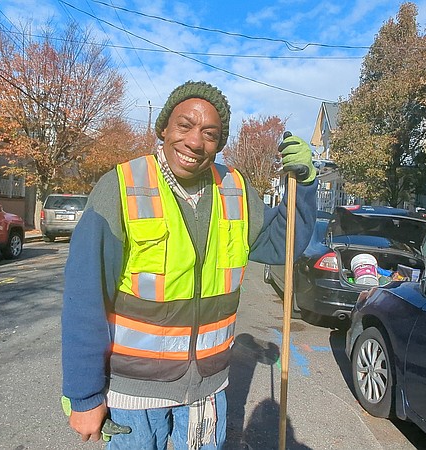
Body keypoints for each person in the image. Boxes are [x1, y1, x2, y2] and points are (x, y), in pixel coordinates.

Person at [61, 80, 318, 450]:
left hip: (207, 390)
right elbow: (85, 296)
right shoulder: (121, 186)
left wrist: (304, 185)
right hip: (136, 394)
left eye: (209, 134)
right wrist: (84, 395)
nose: (195, 142)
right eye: (184, 126)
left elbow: (283, 242)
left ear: (219, 143)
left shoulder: (236, 188)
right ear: (163, 127)